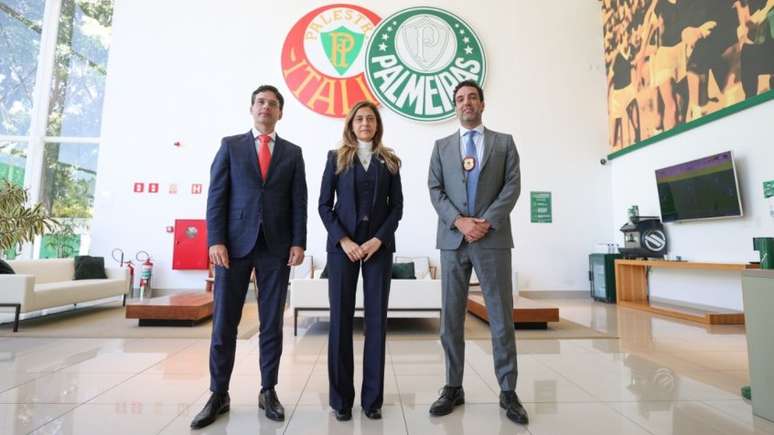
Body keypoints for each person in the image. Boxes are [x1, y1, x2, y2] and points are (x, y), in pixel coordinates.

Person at [191, 85, 308, 429]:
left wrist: (298, 242)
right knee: (225, 321)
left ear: (280, 113)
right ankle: (218, 393)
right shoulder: (231, 146)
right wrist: (215, 241)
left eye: (273, 104)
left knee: (272, 323)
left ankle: (267, 390)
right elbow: (217, 196)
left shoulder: (292, 152)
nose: (266, 108)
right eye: (261, 102)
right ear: (252, 108)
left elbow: (298, 201)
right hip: (233, 247)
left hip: (276, 247)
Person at [427, 80, 528, 425]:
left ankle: (508, 391)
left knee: (501, 316)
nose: (466, 103)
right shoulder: (441, 146)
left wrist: (484, 221)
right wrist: (460, 221)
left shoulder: (504, 143)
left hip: (492, 239)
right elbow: (435, 189)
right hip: (453, 241)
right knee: (451, 319)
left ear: (482, 104)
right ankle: (453, 387)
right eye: (460, 99)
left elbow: (512, 186)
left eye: (472, 98)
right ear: (455, 106)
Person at [318, 100, 403, 422]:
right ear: (351, 125)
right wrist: (345, 240)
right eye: (359, 119)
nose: (365, 123)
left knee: (376, 323)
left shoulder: (390, 161)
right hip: (343, 249)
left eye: (370, 118)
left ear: (377, 125)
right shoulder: (336, 158)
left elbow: (397, 208)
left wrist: (377, 239)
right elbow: (325, 205)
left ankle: (372, 400)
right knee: (340, 322)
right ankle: (341, 400)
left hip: (378, 248)